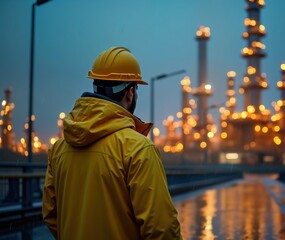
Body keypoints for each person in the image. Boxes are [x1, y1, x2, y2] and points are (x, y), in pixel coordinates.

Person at [42, 46, 182, 239]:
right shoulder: (138, 149)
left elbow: (50, 215)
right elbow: (162, 228)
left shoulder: (59, 149)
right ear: (130, 92)